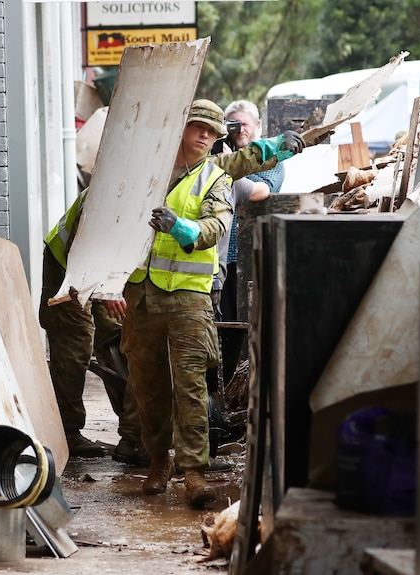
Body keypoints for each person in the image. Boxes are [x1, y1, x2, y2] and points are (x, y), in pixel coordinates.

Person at [121, 99, 304, 507]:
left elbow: (216, 226)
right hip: (142, 297)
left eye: (212, 130)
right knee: (148, 388)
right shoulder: (146, 171)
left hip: (189, 298)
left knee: (190, 387)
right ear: (180, 130)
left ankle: (194, 473)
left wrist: (180, 226)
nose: (204, 135)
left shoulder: (214, 176)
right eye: (196, 127)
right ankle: (157, 462)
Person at [39, 199, 146, 461]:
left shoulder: (146, 190)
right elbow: (80, 252)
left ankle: (133, 433)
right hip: (68, 269)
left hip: (103, 269)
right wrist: (105, 291)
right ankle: (67, 431)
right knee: (74, 346)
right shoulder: (105, 197)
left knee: (116, 336)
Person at [212, 100, 287, 321]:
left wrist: (230, 165)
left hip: (251, 253)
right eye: (233, 125)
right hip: (219, 255)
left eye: (244, 124)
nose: (240, 130)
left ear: (257, 124)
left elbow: (261, 191)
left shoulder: (270, 159)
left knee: (250, 321)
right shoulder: (216, 153)